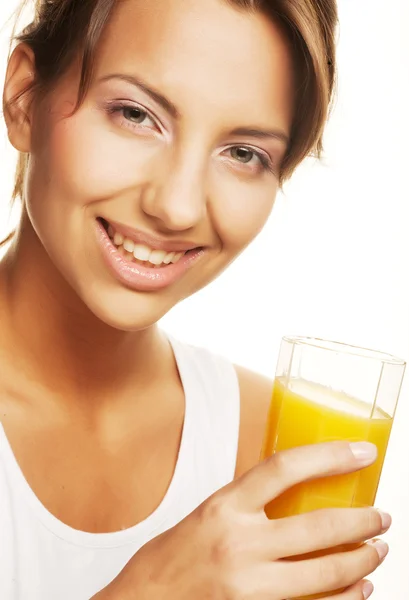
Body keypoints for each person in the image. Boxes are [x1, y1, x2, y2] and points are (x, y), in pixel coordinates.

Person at [0, 0, 390, 599]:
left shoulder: (274, 445)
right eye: (135, 114)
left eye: (243, 153)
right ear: (25, 96)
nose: (178, 206)